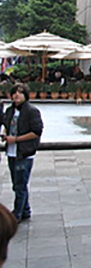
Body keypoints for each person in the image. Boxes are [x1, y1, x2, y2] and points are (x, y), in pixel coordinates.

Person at [3, 85, 43, 222]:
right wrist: (5, 134)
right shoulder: (10, 111)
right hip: (12, 152)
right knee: (17, 184)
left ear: (26, 95)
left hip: (24, 153)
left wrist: (16, 139)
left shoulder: (31, 111)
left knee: (20, 184)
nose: (16, 96)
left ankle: (17, 214)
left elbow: (36, 132)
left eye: (20, 93)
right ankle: (25, 210)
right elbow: (6, 125)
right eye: (14, 93)